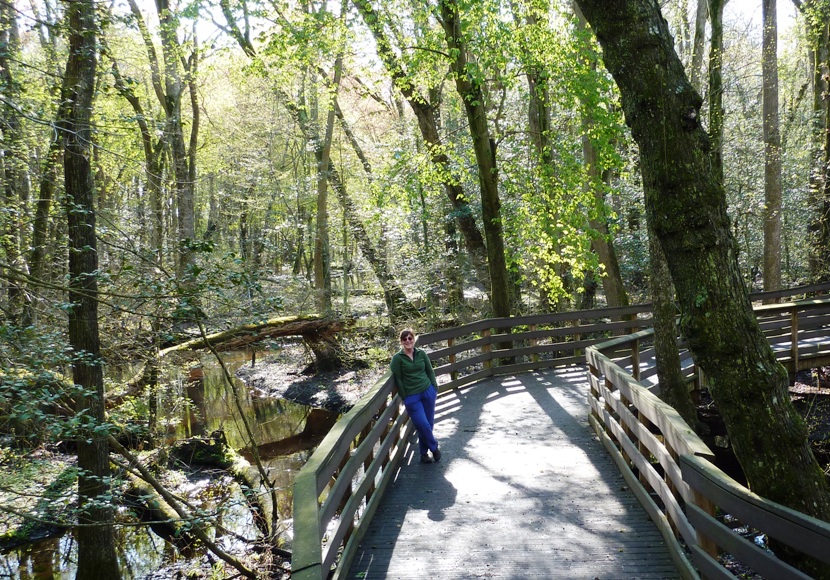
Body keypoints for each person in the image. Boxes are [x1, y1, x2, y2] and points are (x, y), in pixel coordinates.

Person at [390, 328, 442, 464]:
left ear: (413, 339)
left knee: (428, 424)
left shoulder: (421, 354)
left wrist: (434, 387)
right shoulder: (397, 359)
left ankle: (424, 454)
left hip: (427, 391)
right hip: (412, 397)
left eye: (410, 338)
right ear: (401, 342)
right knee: (422, 424)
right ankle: (434, 448)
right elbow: (398, 379)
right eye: (404, 339)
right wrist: (405, 395)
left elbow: (429, 371)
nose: (408, 341)